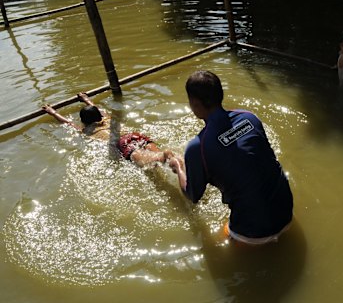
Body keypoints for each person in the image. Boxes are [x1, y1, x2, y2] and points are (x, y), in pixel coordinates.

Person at [168, 70, 294, 245]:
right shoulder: (249, 118)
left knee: (220, 243)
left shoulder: (198, 147)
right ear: (221, 94)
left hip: (253, 233)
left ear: (194, 103)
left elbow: (193, 195)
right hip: (287, 212)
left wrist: (178, 168)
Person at [42, 92, 172, 167]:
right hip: (133, 134)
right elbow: (96, 108)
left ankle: (160, 157)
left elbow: (68, 123)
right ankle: (165, 156)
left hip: (122, 142)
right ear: (99, 115)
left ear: (84, 122)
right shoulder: (107, 118)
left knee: (147, 159)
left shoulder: (86, 130)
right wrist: (86, 99)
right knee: (159, 155)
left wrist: (52, 112)